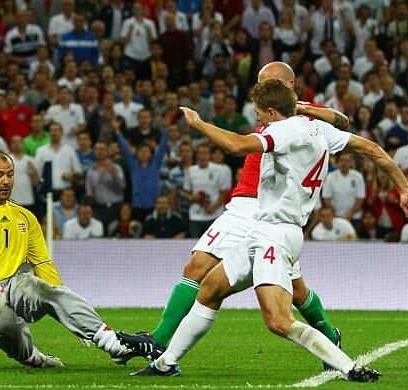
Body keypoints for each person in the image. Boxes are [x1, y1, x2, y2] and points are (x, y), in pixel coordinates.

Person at [127, 79, 408, 380]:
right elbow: (370, 148)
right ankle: (166, 363)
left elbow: (237, 146)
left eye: (259, 114)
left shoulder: (283, 129)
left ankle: (349, 367)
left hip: (276, 235)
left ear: (271, 111)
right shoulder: (319, 129)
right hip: (266, 230)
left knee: (278, 320)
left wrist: (199, 123)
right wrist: (404, 187)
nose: (258, 121)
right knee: (211, 288)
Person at [117, 62, 349, 365]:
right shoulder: (270, 109)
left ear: (288, 86)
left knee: (198, 268)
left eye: (266, 82)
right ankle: (329, 336)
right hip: (261, 207)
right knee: (294, 287)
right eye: (258, 81)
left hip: (256, 205)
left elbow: (342, 122)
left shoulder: (296, 116)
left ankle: (158, 341)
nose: (259, 88)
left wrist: (306, 108)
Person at [0, 152, 136, 365]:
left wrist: (67, 313)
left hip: (16, 283)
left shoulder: (25, 217)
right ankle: (33, 357)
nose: (6, 181)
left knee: (42, 287)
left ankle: (111, 342)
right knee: (7, 325)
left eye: (10, 174)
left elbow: (43, 264)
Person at [184, 143, 230, 238]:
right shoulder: (190, 171)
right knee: (195, 246)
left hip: (215, 215)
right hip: (195, 216)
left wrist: (214, 207)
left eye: (205, 153)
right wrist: (191, 197)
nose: (202, 156)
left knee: (214, 247)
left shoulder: (219, 170)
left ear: (209, 155)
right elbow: (186, 192)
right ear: (196, 155)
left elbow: (224, 192)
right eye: (200, 153)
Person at [85, 141, 126, 230]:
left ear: (107, 151)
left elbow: (123, 186)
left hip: (116, 208)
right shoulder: (91, 171)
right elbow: (88, 191)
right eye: (97, 149)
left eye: (102, 149)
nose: (99, 151)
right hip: (99, 209)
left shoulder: (116, 167)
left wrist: (114, 174)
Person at [322, 152, 366, 229]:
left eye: (347, 161)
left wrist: (351, 214)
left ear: (351, 163)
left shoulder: (358, 176)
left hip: (354, 217)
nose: (344, 163)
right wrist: (334, 214)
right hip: (336, 216)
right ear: (338, 162)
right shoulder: (330, 177)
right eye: (342, 160)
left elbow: (360, 198)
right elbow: (326, 198)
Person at [10, 136, 39, 213]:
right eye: (14, 142)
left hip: (28, 200)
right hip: (10, 201)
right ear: (11, 145)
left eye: (19, 142)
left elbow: (36, 183)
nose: (16, 144)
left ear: (23, 144)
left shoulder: (31, 160)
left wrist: (34, 171)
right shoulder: (6, 159)